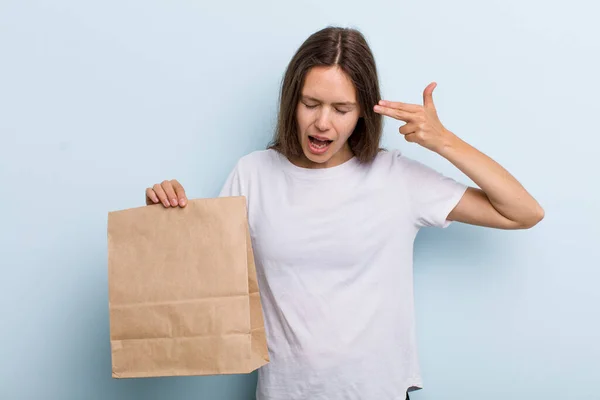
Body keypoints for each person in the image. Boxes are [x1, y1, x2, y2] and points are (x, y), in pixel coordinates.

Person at [144, 26, 544, 400]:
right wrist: (167, 217)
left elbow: (523, 212)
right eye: (311, 103)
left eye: (341, 108)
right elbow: (204, 285)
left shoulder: (395, 178)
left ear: (363, 113)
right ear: (292, 102)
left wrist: (444, 142)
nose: (322, 122)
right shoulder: (253, 174)